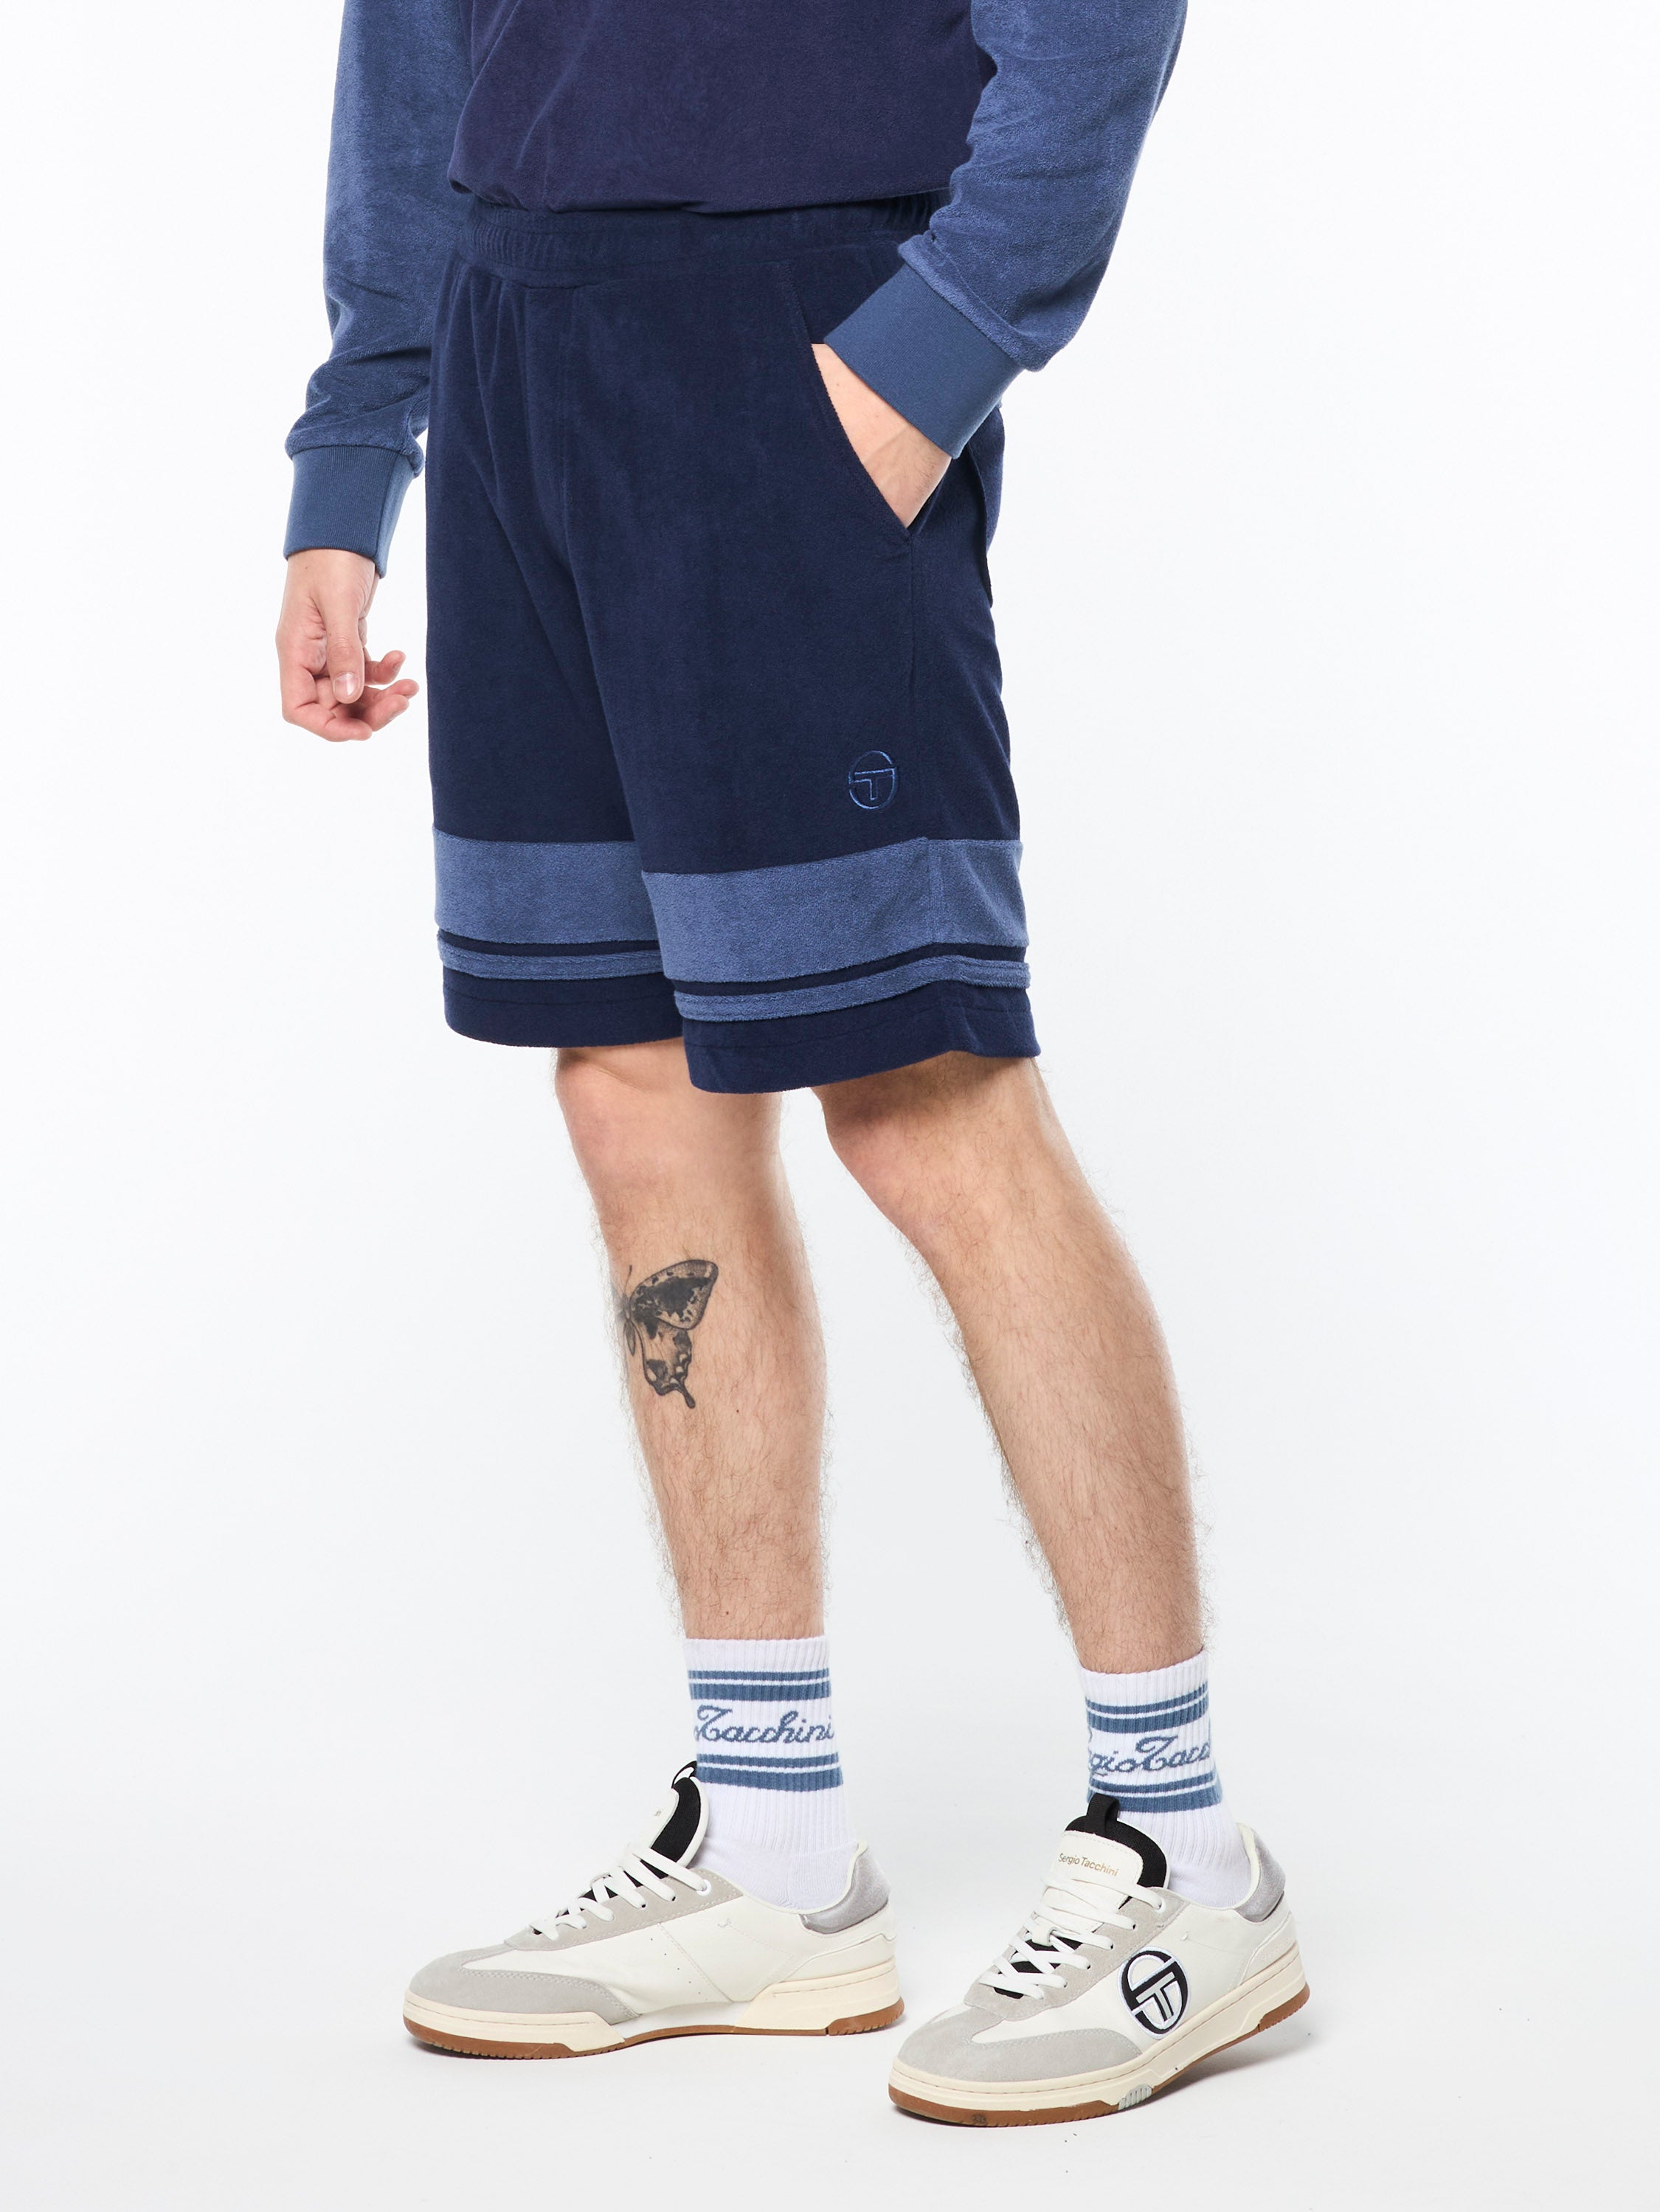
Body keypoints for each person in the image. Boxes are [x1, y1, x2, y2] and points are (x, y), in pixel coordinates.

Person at [275, 0, 1306, 2126]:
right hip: (516, 339)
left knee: (925, 1093)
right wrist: (358, 445)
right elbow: (414, 36)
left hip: (793, 342)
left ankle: (1186, 1855)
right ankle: (771, 1855)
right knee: (628, 1089)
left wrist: (921, 361)